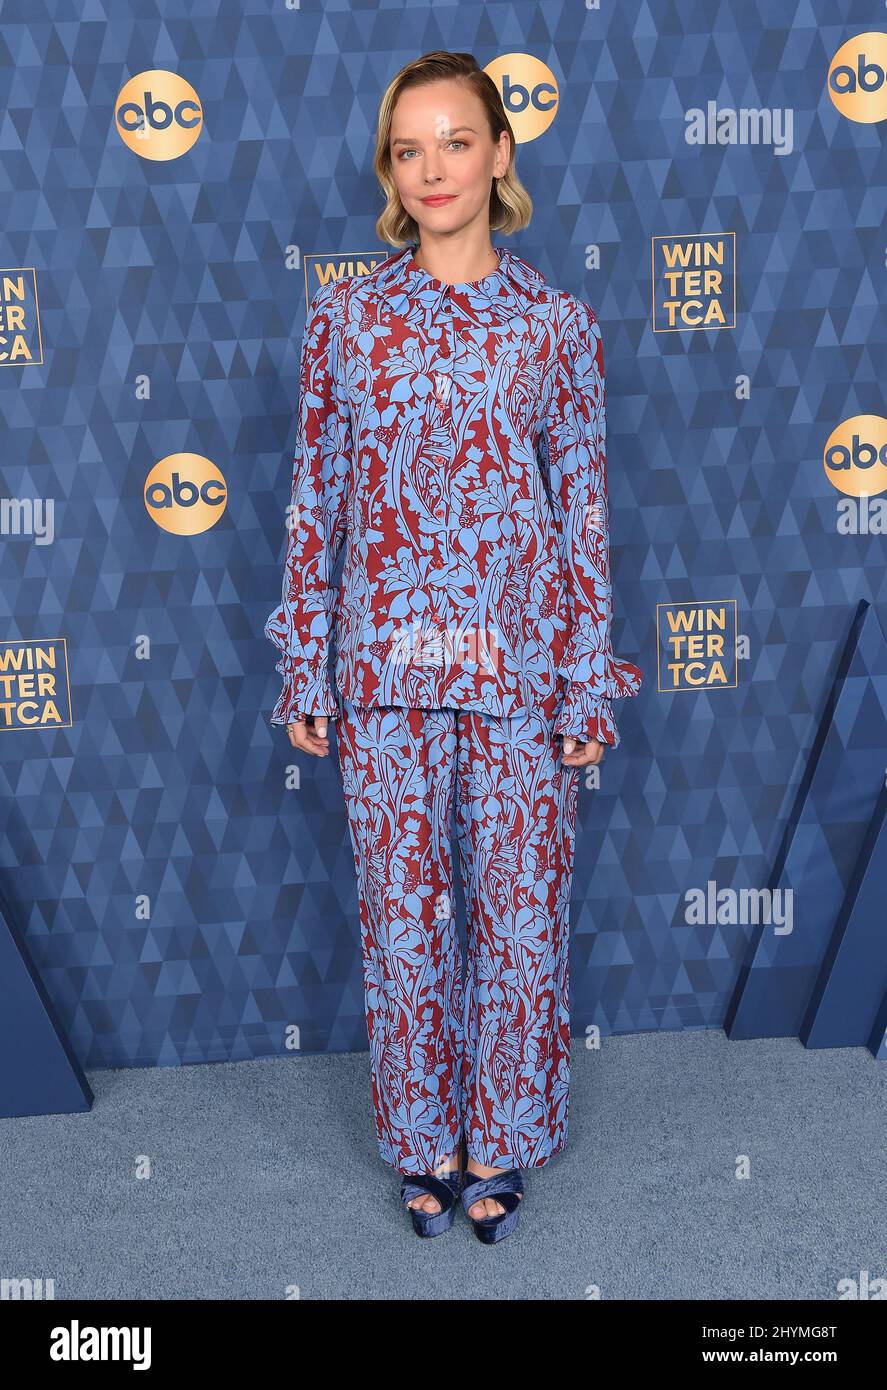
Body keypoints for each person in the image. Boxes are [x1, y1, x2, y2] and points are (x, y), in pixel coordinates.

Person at [264, 50, 643, 1244]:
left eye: (455, 141)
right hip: (380, 672)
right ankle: (424, 1142)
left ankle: (502, 1140)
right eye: (408, 147)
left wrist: (585, 673)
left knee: (519, 926)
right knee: (402, 918)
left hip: (523, 673)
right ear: (390, 167)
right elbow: (315, 500)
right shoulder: (347, 318)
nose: (432, 167)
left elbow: (580, 509)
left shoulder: (554, 323)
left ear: (498, 154)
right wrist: (304, 660)